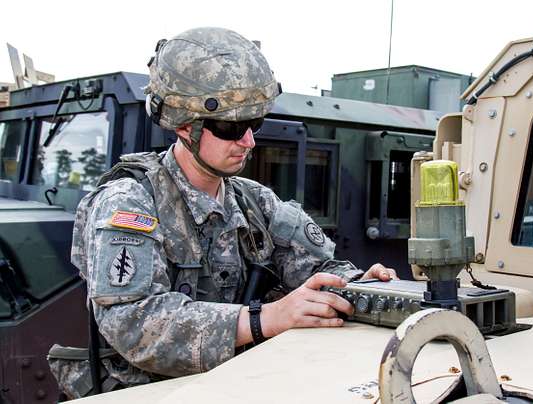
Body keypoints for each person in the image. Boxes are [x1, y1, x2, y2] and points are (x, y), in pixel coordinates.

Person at [51, 27, 396, 398]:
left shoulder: (255, 201)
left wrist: (360, 284)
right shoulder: (130, 201)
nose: (248, 141)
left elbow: (317, 270)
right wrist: (266, 319)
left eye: (255, 124)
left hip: (236, 385)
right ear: (185, 125)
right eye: (231, 128)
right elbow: (135, 324)